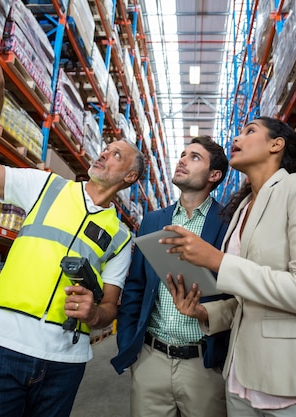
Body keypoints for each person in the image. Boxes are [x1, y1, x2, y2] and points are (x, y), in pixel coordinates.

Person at [0, 40, 145, 417]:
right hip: (3, 344)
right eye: (105, 148)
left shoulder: (123, 238)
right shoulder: (46, 185)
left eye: (116, 153)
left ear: (131, 176)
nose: (104, 152)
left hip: (65, 359)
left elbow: (110, 306)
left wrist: (94, 316)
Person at [162, 117, 296, 416]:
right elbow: (247, 302)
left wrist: (218, 261)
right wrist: (204, 312)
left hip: (294, 381)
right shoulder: (241, 209)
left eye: (249, 131)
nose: (237, 138)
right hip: (241, 379)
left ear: (276, 145)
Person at [111, 135, 232, 417]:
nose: (182, 160)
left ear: (215, 175)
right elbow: (136, 286)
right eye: (182, 154)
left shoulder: (229, 221)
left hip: (204, 363)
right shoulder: (154, 220)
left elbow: (236, 291)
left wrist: (206, 313)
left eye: (194, 157)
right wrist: (129, 345)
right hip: (151, 358)